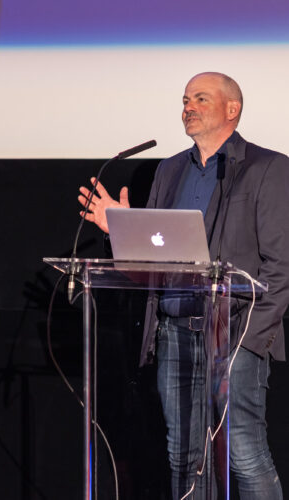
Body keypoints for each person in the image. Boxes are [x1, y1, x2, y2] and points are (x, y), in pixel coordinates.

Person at [78, 72, 289, 499]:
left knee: (244, 455)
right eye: (185, 100)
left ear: (232, 109)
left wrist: (250, 340)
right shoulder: (170, 169)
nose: (188, 107)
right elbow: (149, 263)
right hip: (174, 333)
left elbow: (280, 269)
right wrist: (120, 229)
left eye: (200, 99)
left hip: (233, 333)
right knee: (183, 457)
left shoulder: (268, 168)